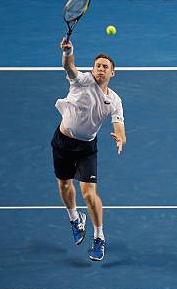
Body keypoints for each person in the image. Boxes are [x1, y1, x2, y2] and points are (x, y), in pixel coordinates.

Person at [51, 38, 126, 261]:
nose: (100, 69)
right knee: (65, 185)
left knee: (89, 194)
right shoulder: (82, 81)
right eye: (98, 65)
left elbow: (119, 124)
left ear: (113, 73)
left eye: (105, 67)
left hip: (86, 148)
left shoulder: (114, 100)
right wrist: (68, 52)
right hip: (62, 142)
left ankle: (99, 237)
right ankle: (75, 218)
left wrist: (120, 138)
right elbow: (69, 67)